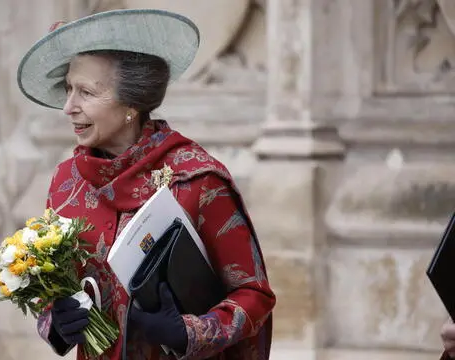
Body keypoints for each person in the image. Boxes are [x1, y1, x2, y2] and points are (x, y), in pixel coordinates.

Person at [17, 8, 276, 360]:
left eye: (86, 93)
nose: (68, 107)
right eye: (67, 89)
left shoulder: (199, 180)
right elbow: (57, 291)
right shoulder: (66, 181)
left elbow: (254, 294)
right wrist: (57, 322)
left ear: (131, 104)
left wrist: (188, 333)